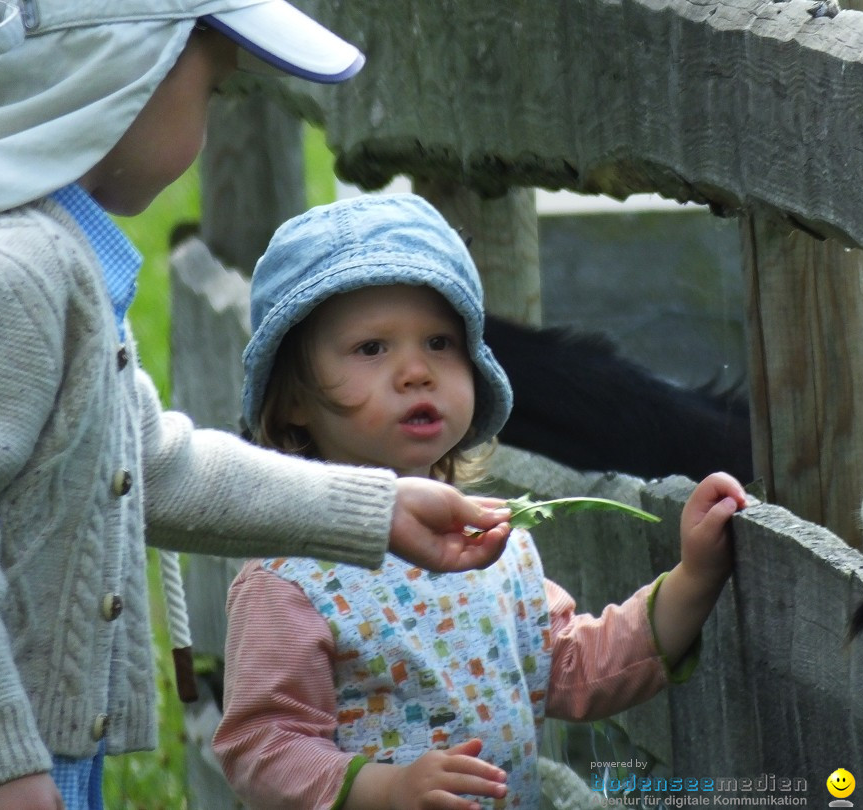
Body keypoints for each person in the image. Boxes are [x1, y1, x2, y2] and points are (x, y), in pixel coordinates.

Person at [0, 4, 511, 809]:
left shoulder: (57, 258)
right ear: (123, 72)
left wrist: (381, 508)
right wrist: (0, 761)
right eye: (212, 90)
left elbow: (155, 464)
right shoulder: (17, 274)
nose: (208, 117)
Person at [213, 193, 748, 810]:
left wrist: (694, 579)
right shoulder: (291, 579)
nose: (416, 370)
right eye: (371, 348)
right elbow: (262, 744)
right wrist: (382, 789)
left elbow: (572, 670)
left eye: (440, 343)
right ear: (293, 400)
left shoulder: (496, 546)